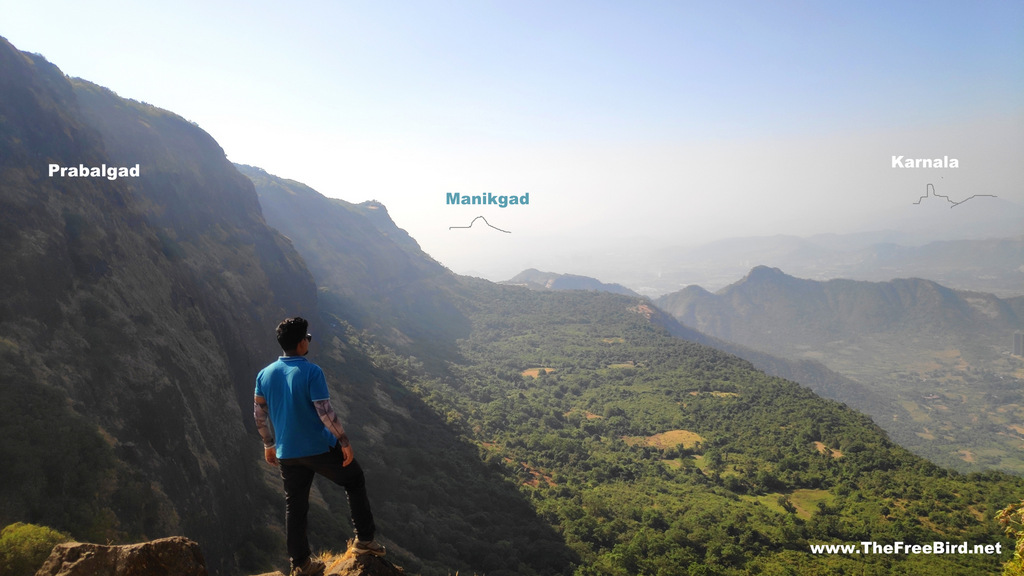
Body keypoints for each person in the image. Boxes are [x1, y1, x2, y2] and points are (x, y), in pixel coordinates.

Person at [254, 317, 385, 576]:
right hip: (318, 447)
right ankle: (364, 540)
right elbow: (325, 413)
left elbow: (259, 414)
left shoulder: (264, 374)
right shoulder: (312, 371)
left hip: (287, 453)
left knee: (295, 505)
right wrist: (344, 442)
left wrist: (269, 444)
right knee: (354, 480)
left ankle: (301, 564)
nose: (308, 342)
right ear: (302, 343)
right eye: (307, 338)